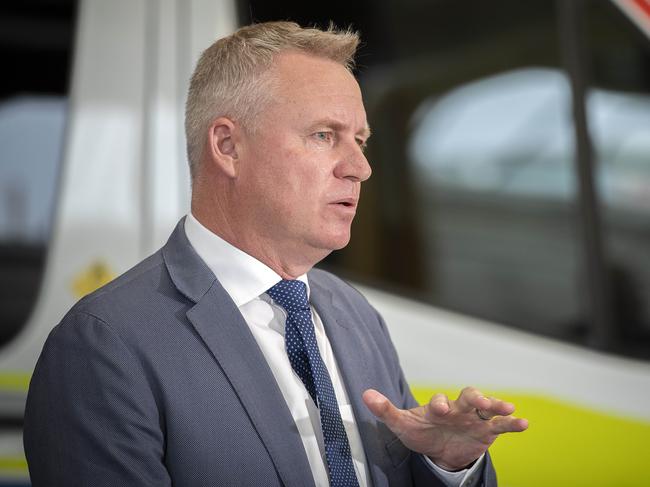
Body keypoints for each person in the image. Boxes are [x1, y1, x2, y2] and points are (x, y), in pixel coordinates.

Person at [24, 21, 527, 487]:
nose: (360, 167)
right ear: (227, 146)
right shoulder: (103, 345)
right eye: (324, 136)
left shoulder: (354, 316)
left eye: (361, 141)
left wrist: (446, 463)